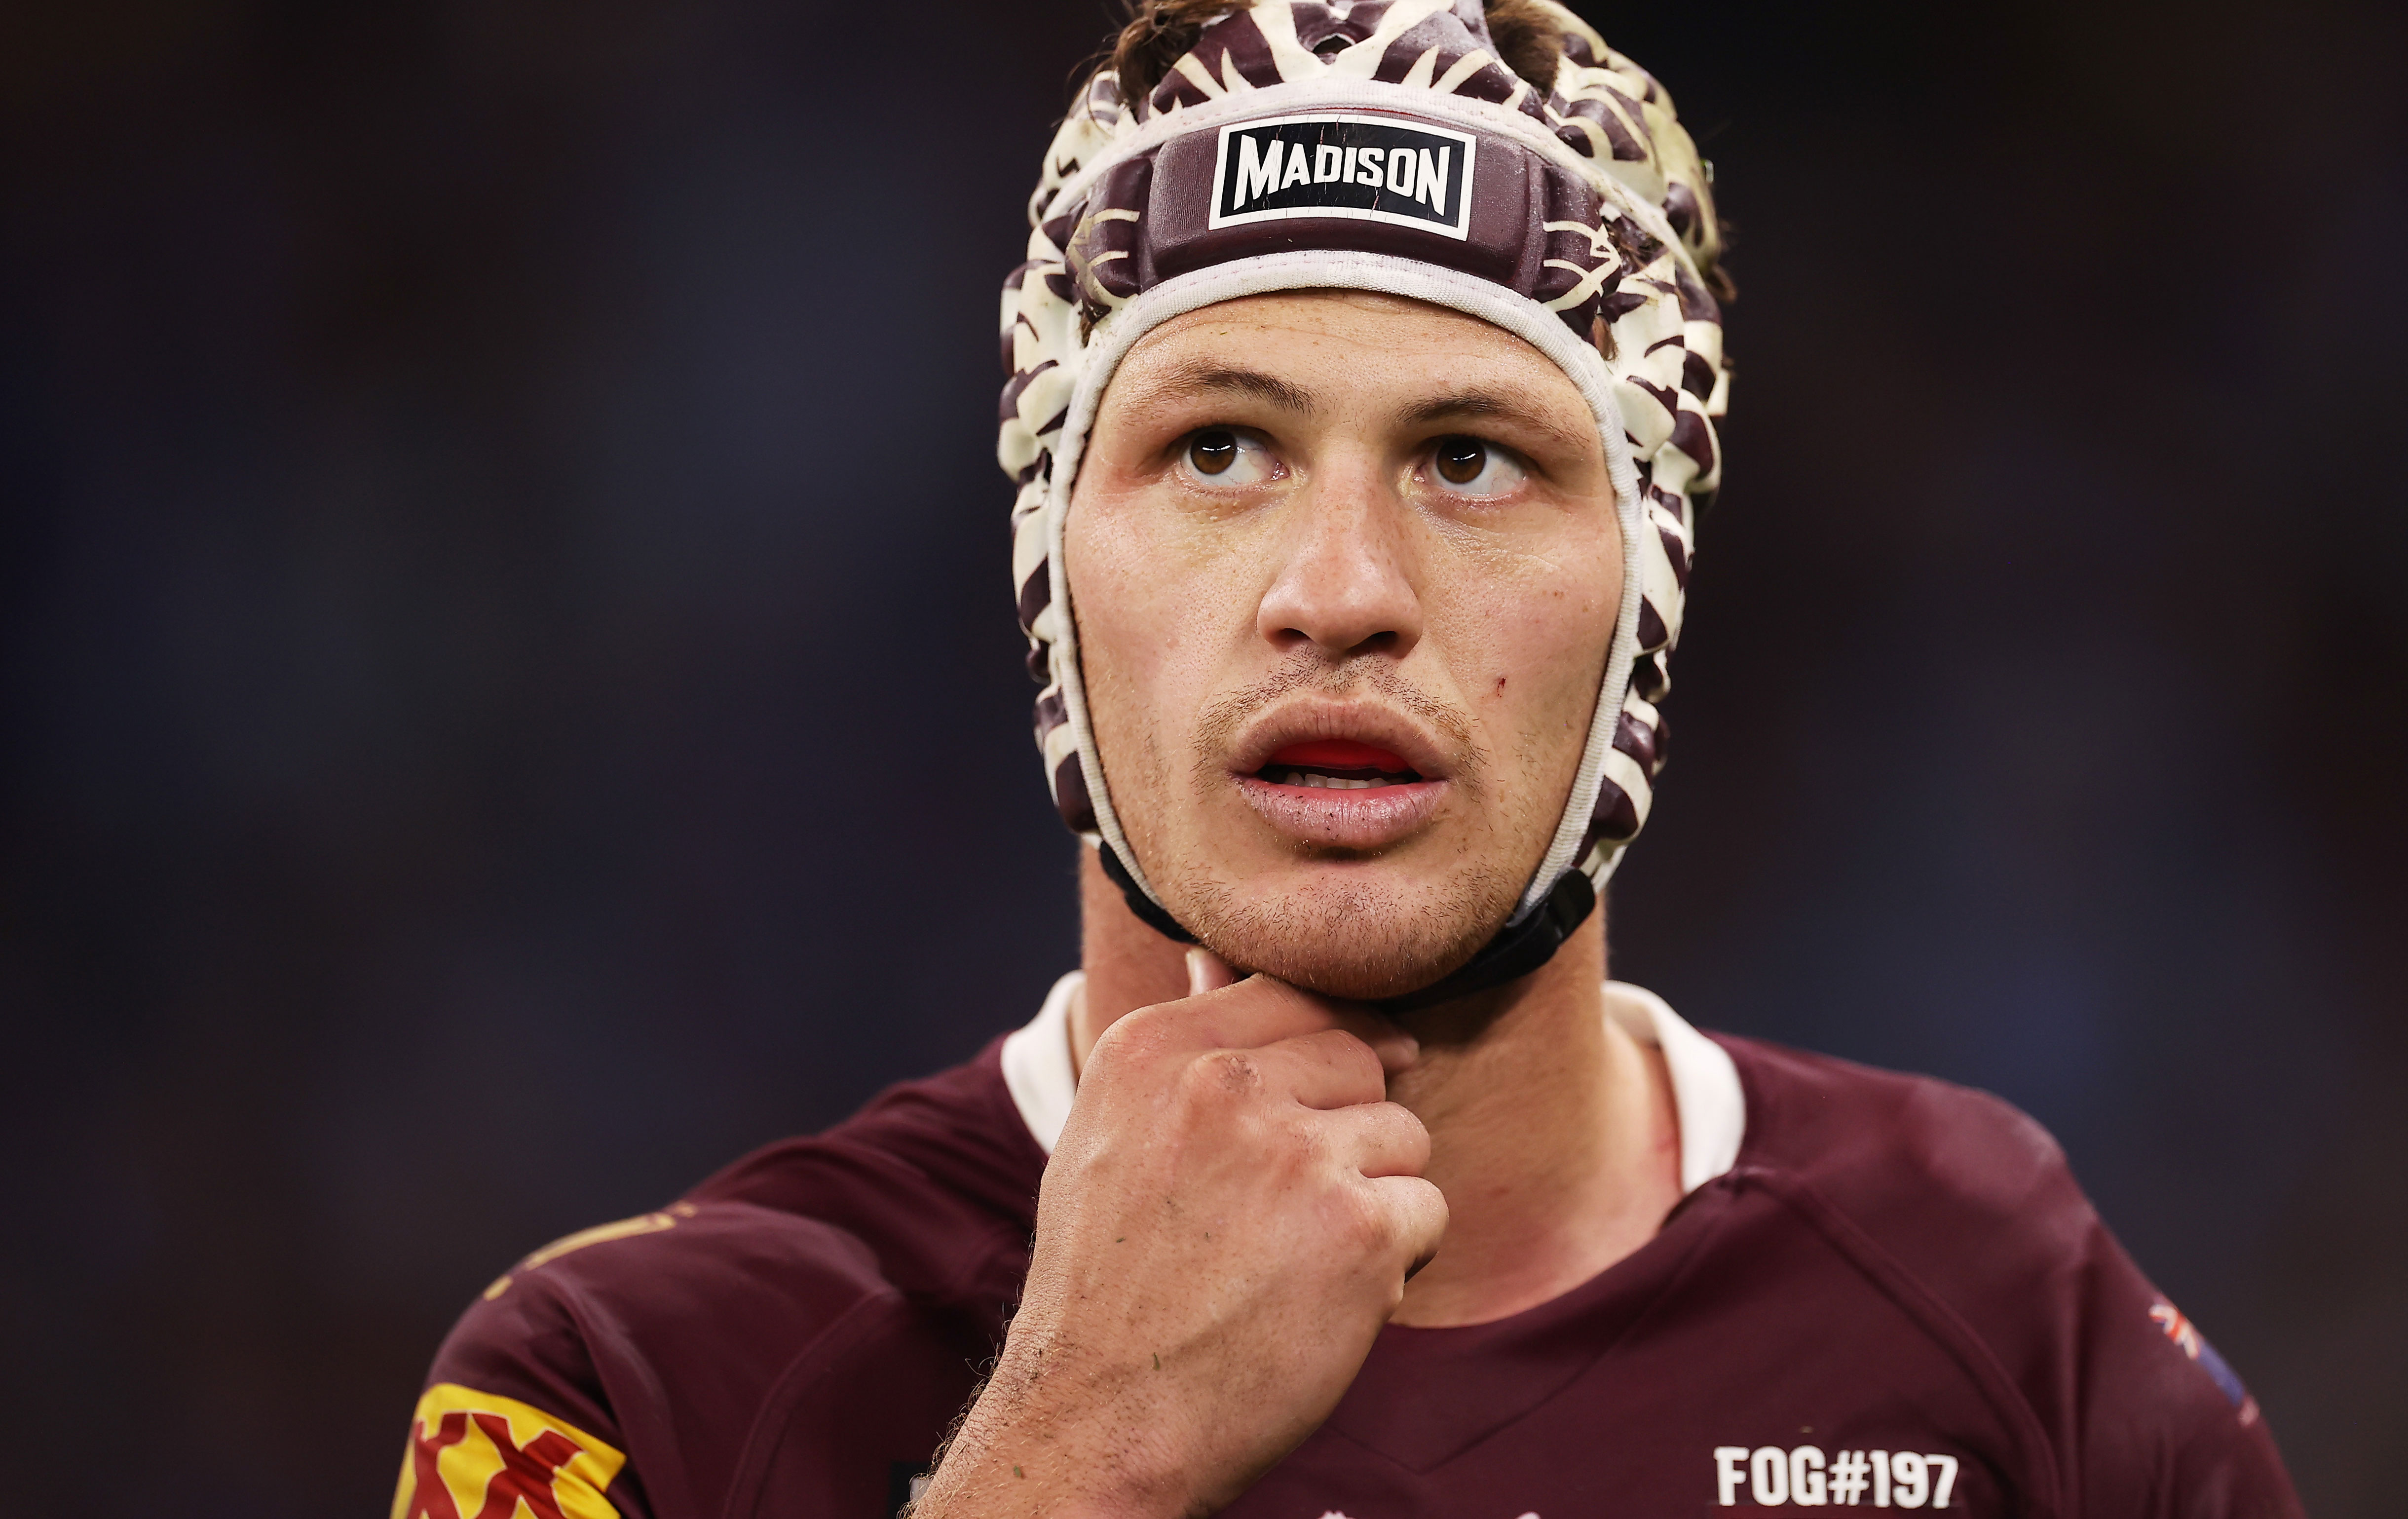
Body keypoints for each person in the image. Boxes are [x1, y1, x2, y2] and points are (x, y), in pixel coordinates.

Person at [391, 2, 2304, 1515]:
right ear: (1049, 554)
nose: (1339, 593)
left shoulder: (2007, 1313)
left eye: (1473, 458)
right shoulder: (622, 1387)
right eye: (1218, 449)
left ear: (1652, 582)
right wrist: (1079, 1453)